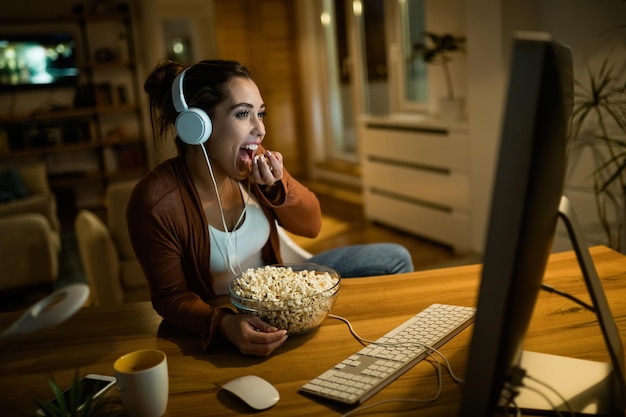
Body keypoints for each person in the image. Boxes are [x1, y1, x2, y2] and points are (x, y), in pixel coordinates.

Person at [127, 59, 413, 357]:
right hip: (227, 310)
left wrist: (276, 187)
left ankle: (393, 349)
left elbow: (311, 226)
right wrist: (222, 324)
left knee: (394, 258)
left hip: (282, 289)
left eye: (260, 114)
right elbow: (170, 296)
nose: (260, 129)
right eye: (242, 114)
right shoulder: (154, 202)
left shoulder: (255, 162)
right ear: (198, 125)